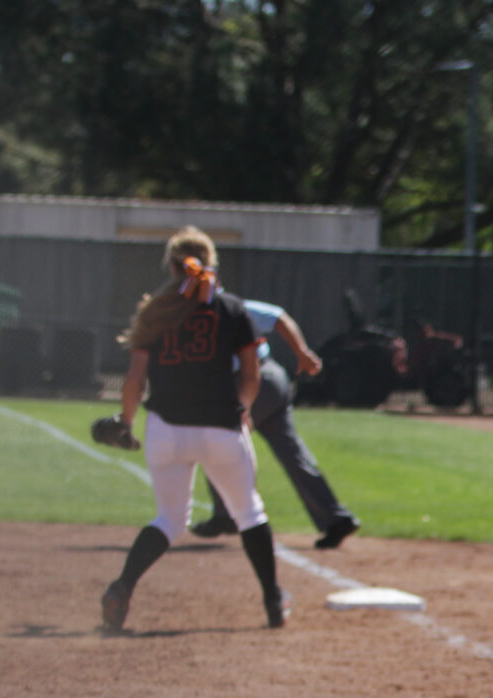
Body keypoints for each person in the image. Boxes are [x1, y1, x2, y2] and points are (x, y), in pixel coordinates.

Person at [98, 227, 289, 633]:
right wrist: (244, 410)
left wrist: (126, 422)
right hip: (221, 427)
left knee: (169, 519)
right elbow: (251, 377)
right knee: (249, 512)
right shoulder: (232, 309)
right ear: (211, 265)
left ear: (171, 266)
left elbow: (134, 381)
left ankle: (122, 587)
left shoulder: (155, 311)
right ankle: (273, 601)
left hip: (166, 428)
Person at [190, 299, 361, 550]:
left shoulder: (221, 308)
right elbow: (279, 317)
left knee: (215, 441)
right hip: (273, 378)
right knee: (294, 454)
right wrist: (302, 353)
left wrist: (302, 353)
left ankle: (226, 516)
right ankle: (336, 518)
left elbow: (279, 317)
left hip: (250, 383)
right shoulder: (232, 306)